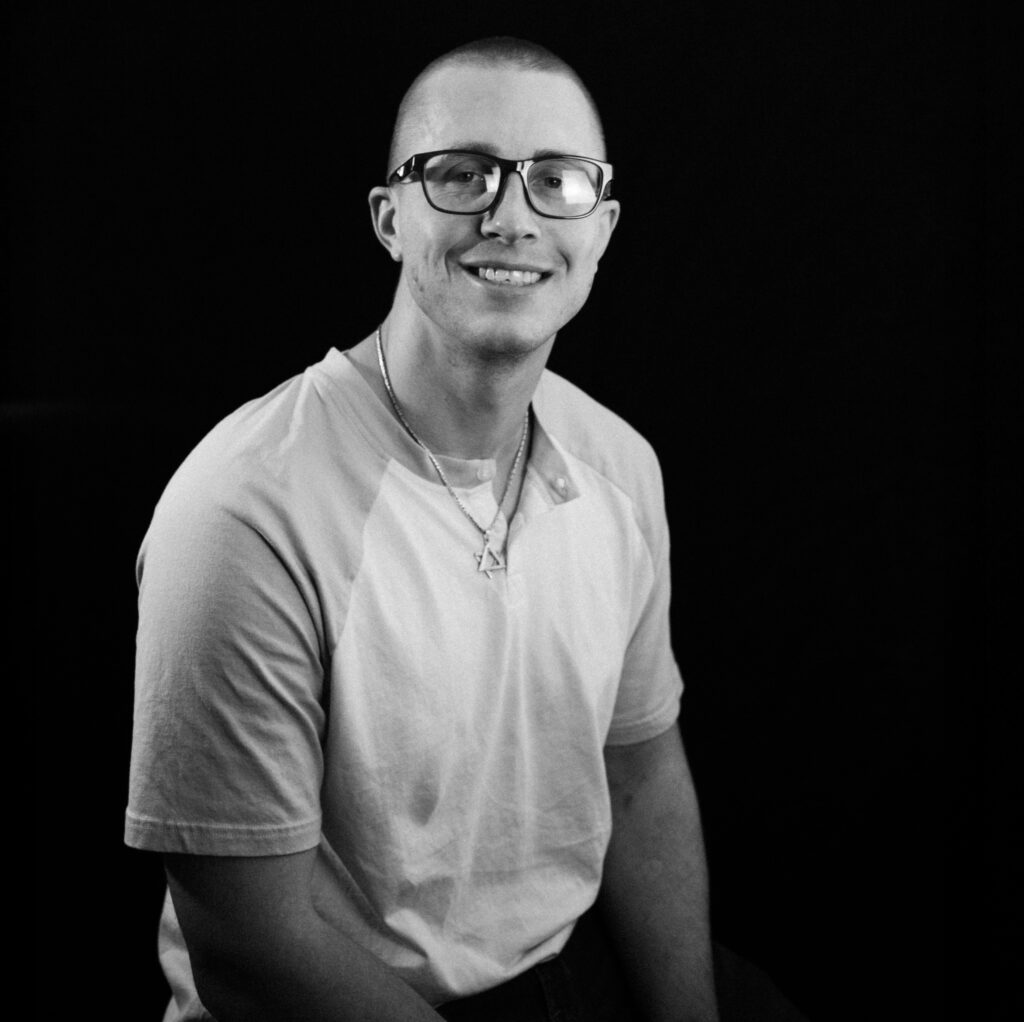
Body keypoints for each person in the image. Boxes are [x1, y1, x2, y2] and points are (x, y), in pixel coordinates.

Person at [126, 36, 805, 1022]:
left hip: (572, 963)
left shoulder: (619, 465)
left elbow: (640, 763)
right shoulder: (244, 511)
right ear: (389, 218)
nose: (511, 213)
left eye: (557, 181)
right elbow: (251, 944)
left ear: (602, 226)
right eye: (461, 173)